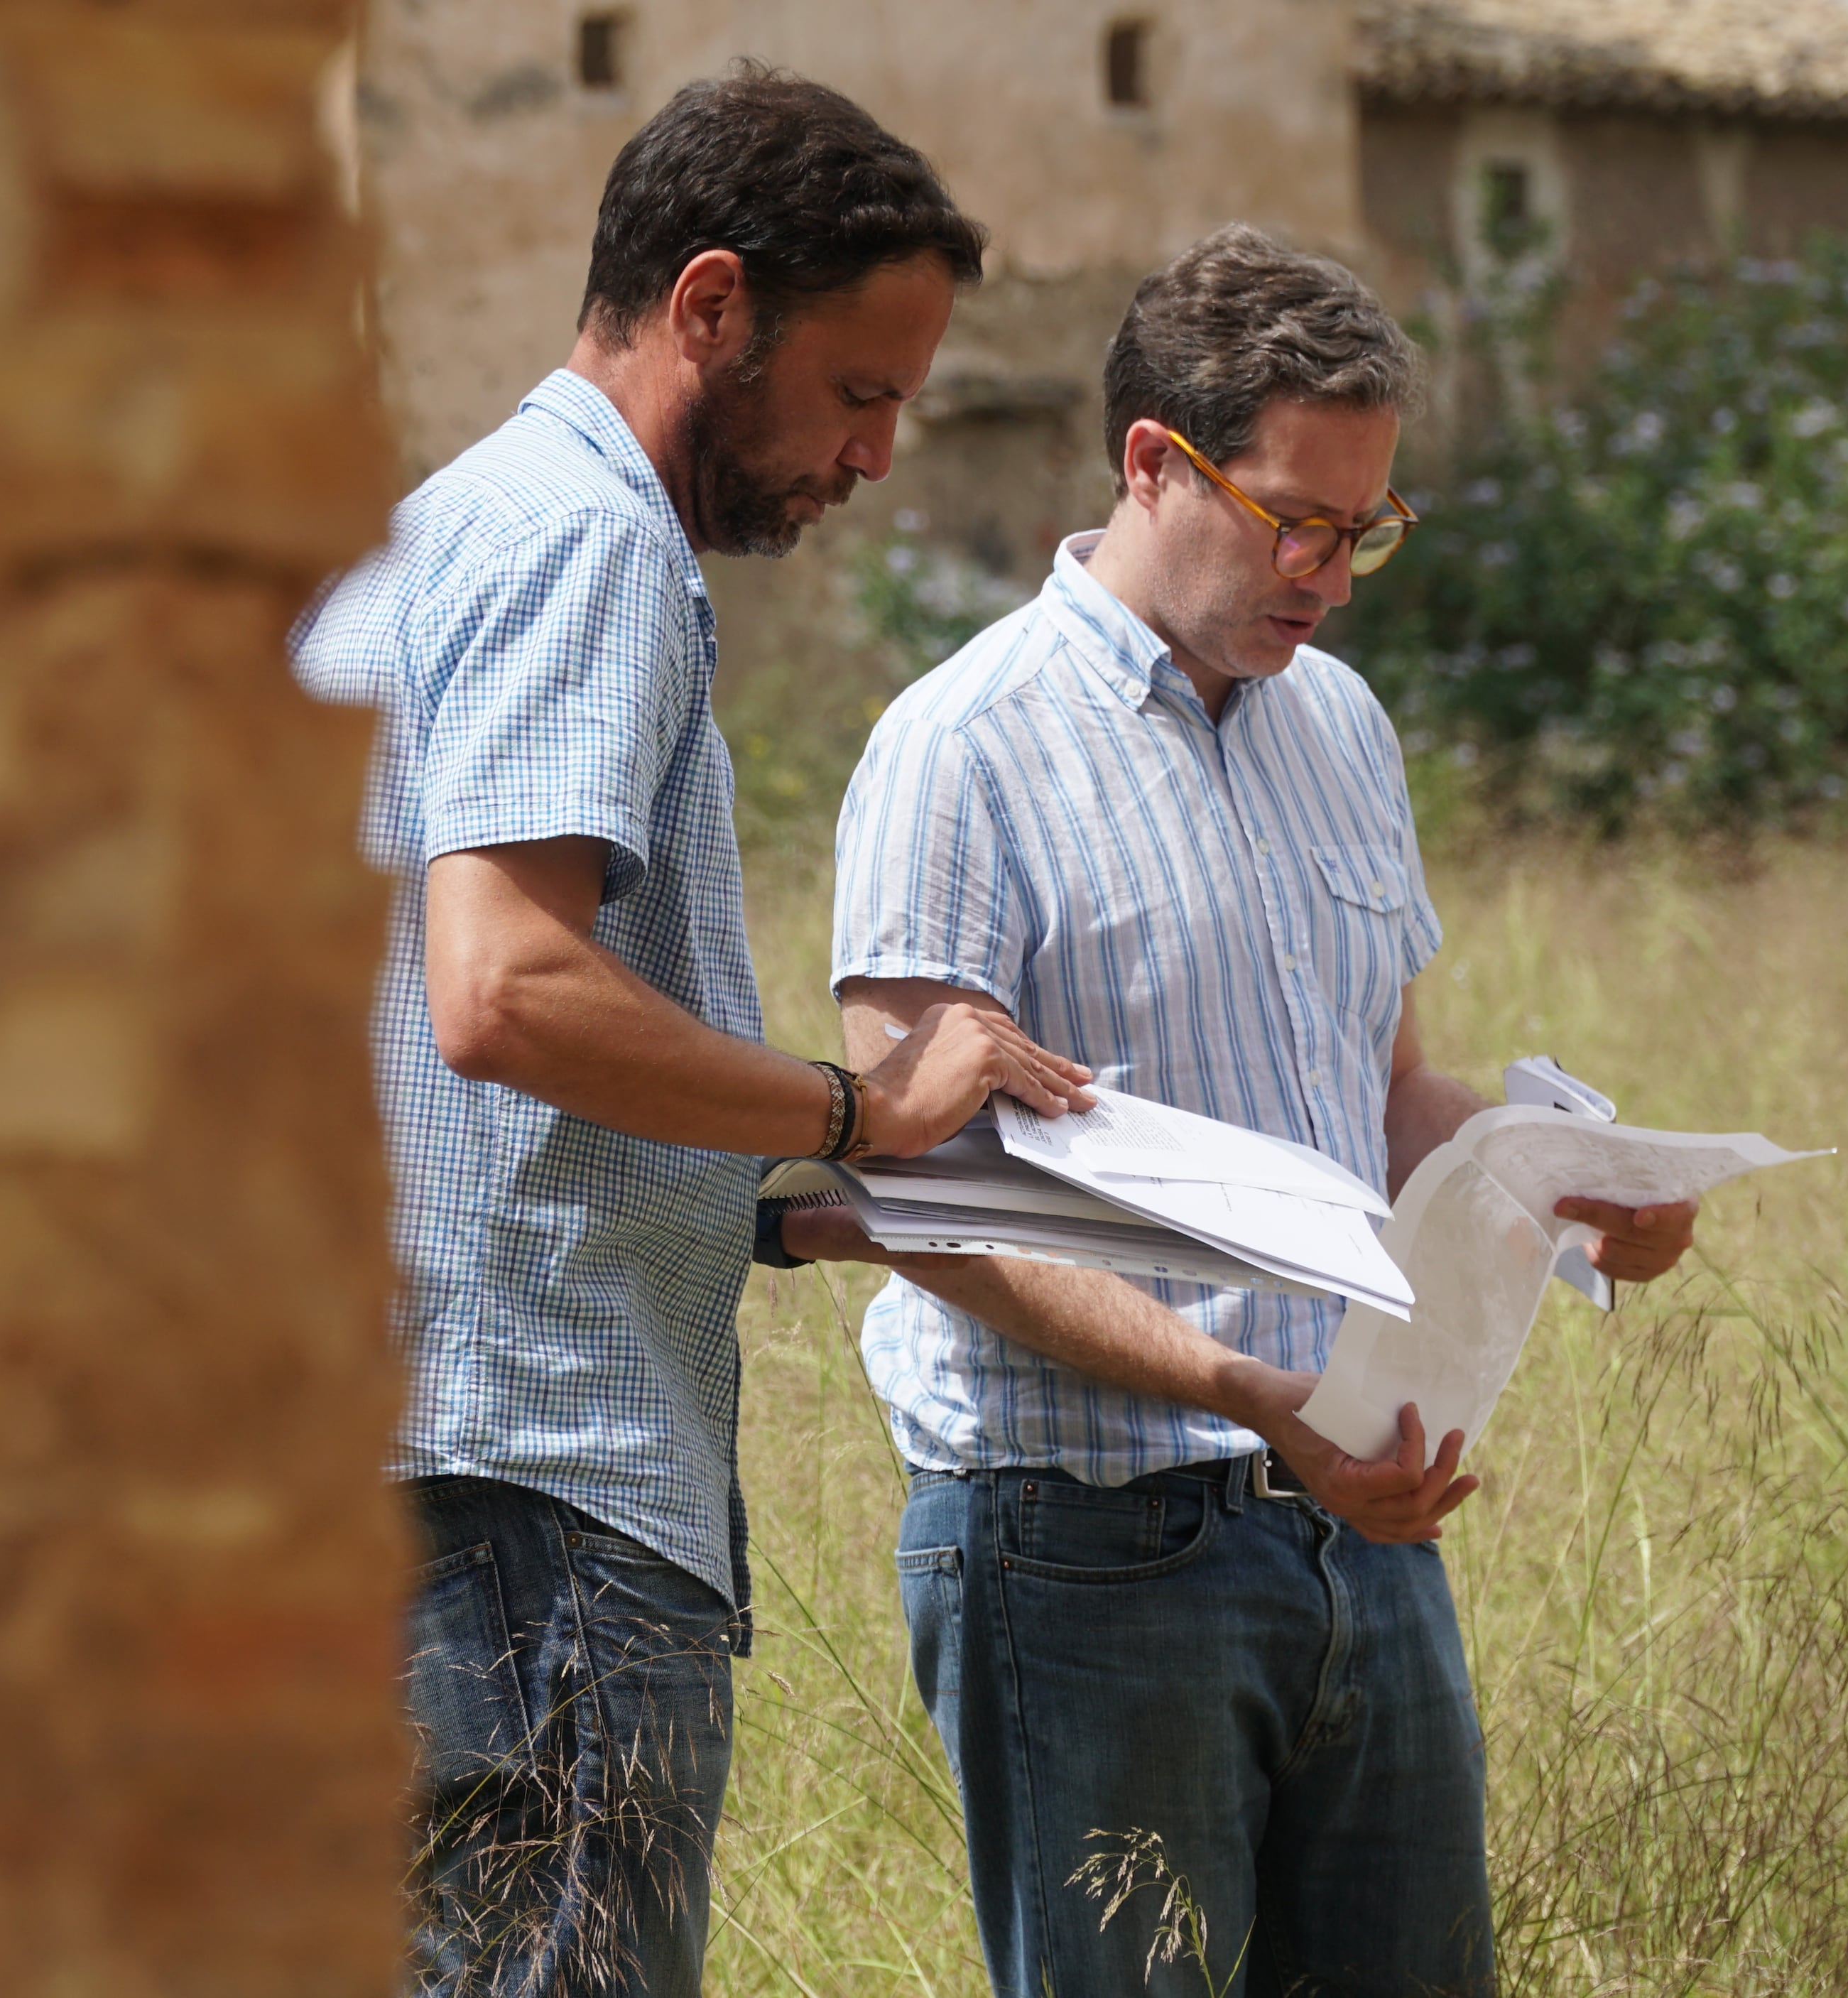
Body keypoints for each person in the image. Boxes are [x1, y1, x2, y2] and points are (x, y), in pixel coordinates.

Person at [820, 226, 1700, 1996]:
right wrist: (1244, 1396)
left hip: (1362, 1515)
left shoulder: (1342, 724)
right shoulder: (960, 748)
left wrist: (1566, 1190)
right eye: (1295, 519)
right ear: (1152, 462)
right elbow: (926, 1205)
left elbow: (1377, 1089)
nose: (1332, 577)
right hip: (1085, 1542)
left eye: (1364, 528)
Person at [289, 67, 1093, 1997]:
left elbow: (422, 1070)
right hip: (531, 1503)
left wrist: (779, 1193)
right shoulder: (594, 543)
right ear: (712, 307)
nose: (882, 457)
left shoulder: (449, 526)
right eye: (863, 392)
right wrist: (864, 1100)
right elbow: (504, 990)